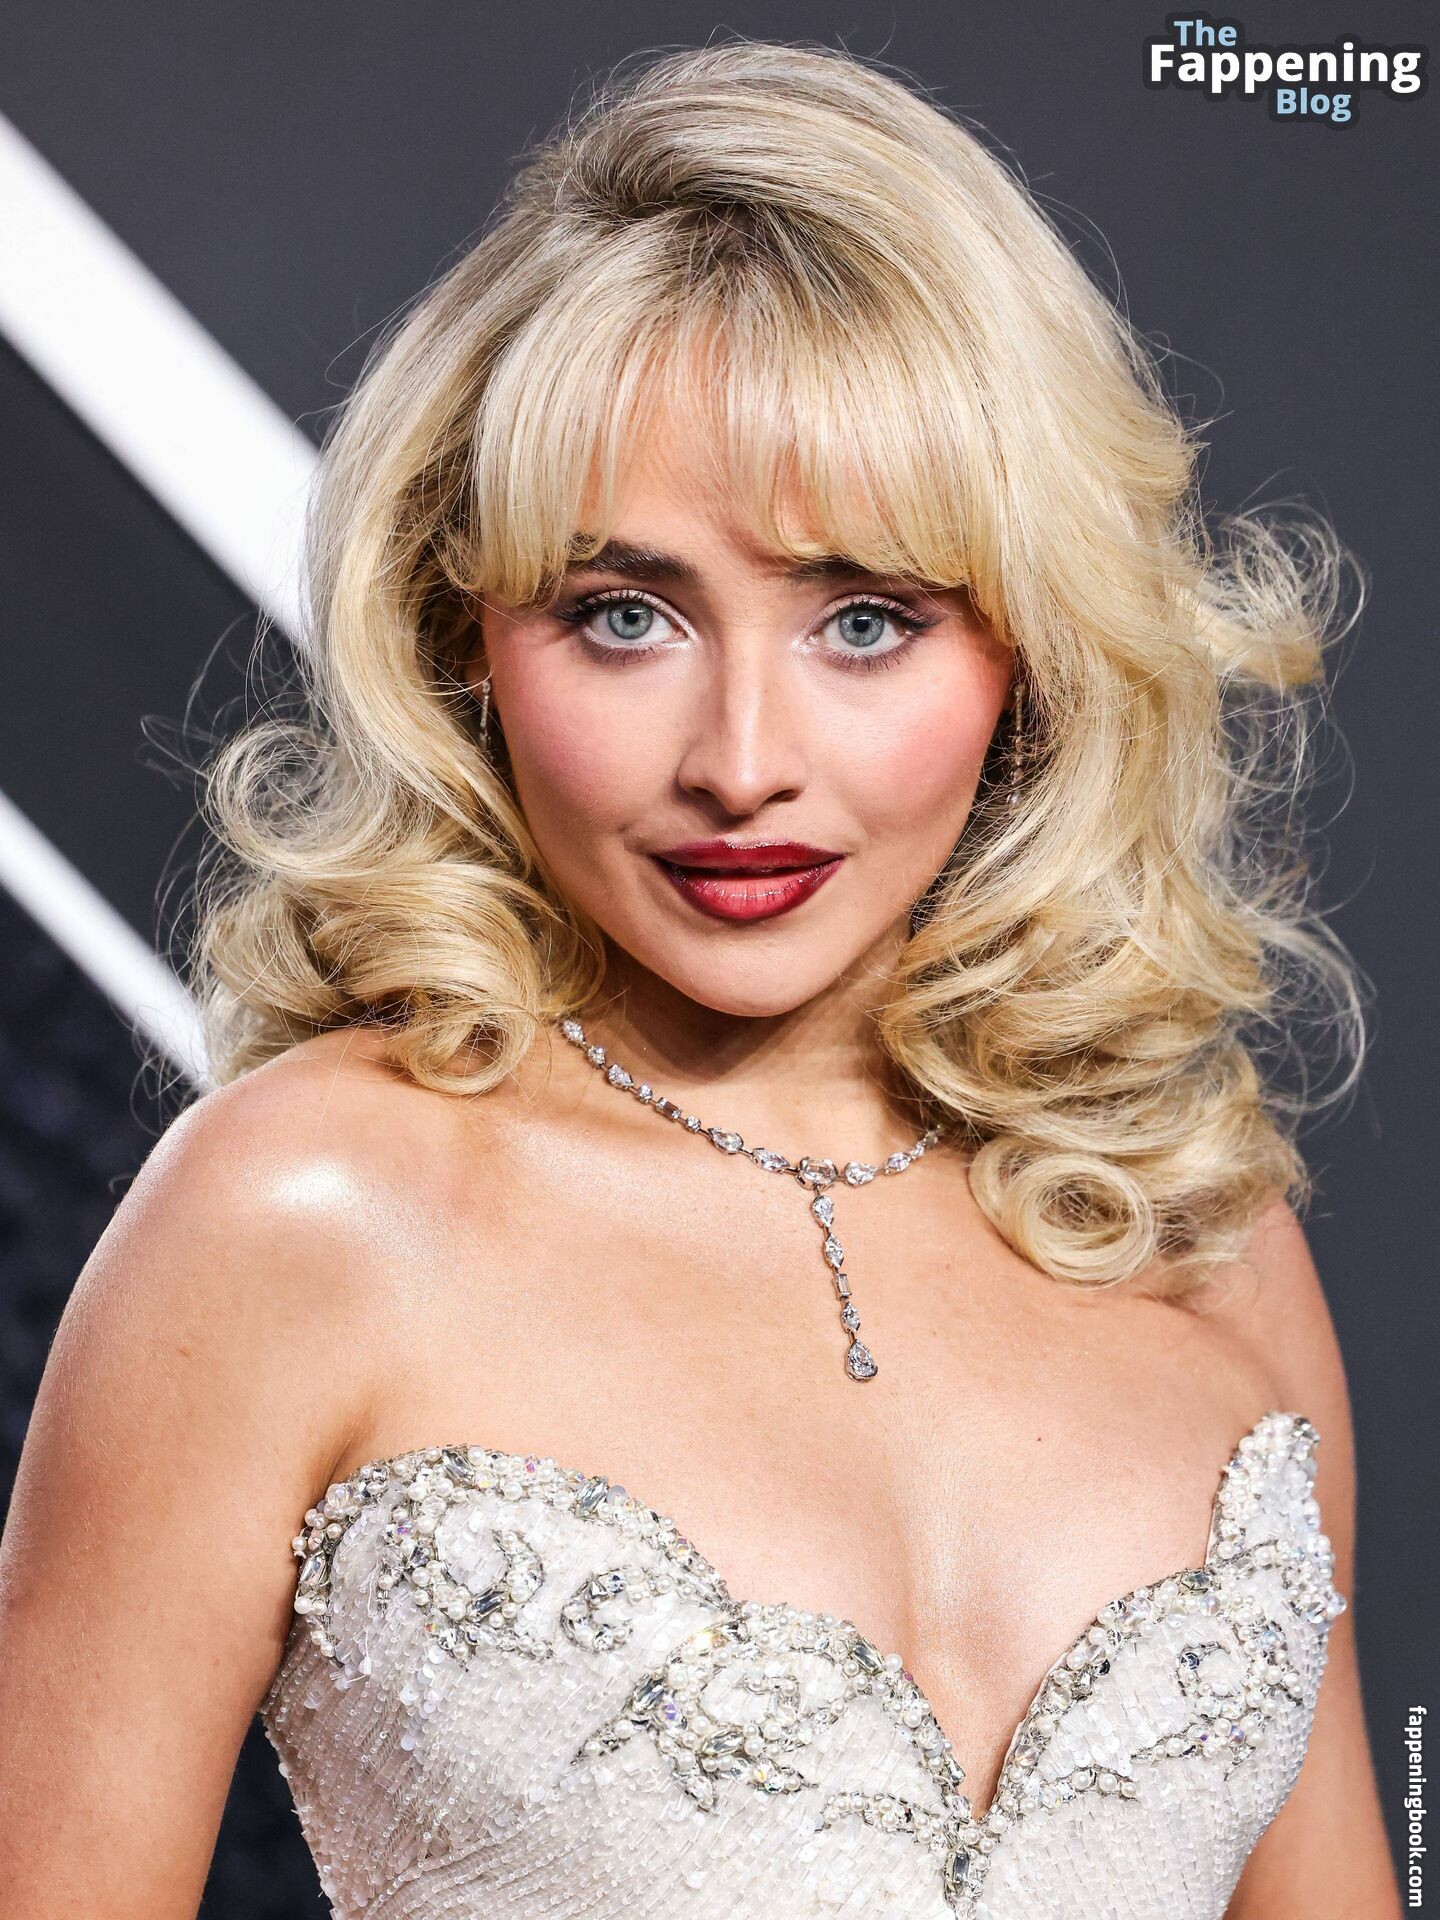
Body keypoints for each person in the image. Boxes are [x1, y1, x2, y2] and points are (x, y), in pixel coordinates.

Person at [0, 37, 1401, 1920]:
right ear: (467, 640)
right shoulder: (302, 1217)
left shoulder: (1192, 1234)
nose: (743, 762)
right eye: (624, 616)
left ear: (1034, 651)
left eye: (867, 620)